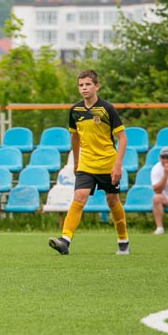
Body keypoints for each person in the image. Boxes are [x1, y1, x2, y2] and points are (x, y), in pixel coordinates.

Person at [48, 69, 129, 256]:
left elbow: (122, 138)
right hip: (87, 164)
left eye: (88, 84)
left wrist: (117, 165)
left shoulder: (107, 109)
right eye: (81, 85)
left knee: (112, 200)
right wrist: (76, 162)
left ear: (96, 86)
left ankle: (123, 240)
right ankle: (65, 240)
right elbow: (74, 137)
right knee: (79, 197)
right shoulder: (75, 111)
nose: (84, 88)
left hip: (108, 163)